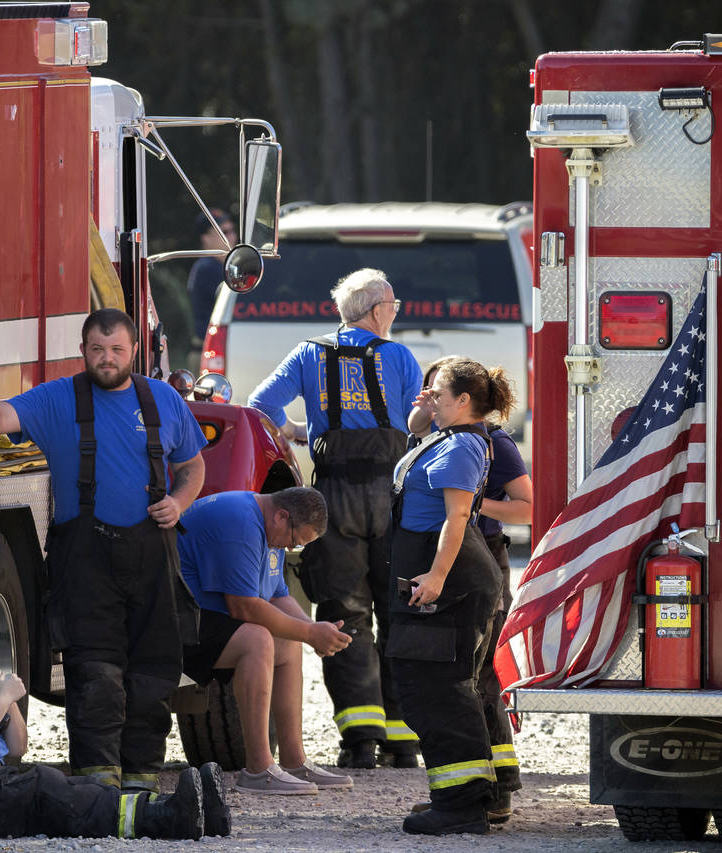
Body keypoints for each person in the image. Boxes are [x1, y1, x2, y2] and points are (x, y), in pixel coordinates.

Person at [0, 308, 206, 792]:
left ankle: (143, 779)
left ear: (133, 352)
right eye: (98, 350)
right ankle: (97, 784)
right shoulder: (59, 398)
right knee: (94, 671)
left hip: (153, 555)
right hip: (85, 563)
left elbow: (192, 466)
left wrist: (179, 501)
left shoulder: (162, 399)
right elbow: (5, 413)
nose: (107, 359)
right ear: (83, 351)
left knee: (153, 672)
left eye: (117, 350)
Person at [247, 268, 423, 770]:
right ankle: (404, 742)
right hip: (391, 496)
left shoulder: (309, 353)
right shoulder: (399, 356)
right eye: (393, 303)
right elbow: (414, 426)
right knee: (400, 612)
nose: (396, 310)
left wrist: (301, 431)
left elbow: (260, 406)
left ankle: (358, 741)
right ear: (375, 310)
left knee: (342, 611)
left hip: (332, 500)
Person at [0, 608, 230, 839]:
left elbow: (18, 746)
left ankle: (191, 811)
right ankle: (167, 819)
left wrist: (7, 699)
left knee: (79, 787)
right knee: (45, 788)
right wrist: (3, 699)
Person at [388, 359, 513, 836]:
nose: (429, 398)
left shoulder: (462, 445)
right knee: (443, 686)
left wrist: (437, 578)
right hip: (439, 578)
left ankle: (461, 806)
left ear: (464, 401)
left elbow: (456, 518)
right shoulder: (445, 435)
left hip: (450, 583)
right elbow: (413, 431)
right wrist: (426, 410)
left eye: (438, 393)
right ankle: (475, 797)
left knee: (438, 689)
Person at [179, 487, 355, 795]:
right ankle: (258, 770)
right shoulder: (241, 521)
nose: (289, 548)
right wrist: (311, 633)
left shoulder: (270, 525)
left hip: (204, 615)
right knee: (258, 639)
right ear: (283, 516)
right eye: (294, 541)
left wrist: (314, 630)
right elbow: (243, 606)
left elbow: (277, 596)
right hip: (171, 618)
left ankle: (293, 761)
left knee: (288, 643)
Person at [187, 208, 237, 347]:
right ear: (206, 239)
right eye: (224, 232)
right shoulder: (207, 267)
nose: (232, 236)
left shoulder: (218, 266)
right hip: (208, 348)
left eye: (232, 230)